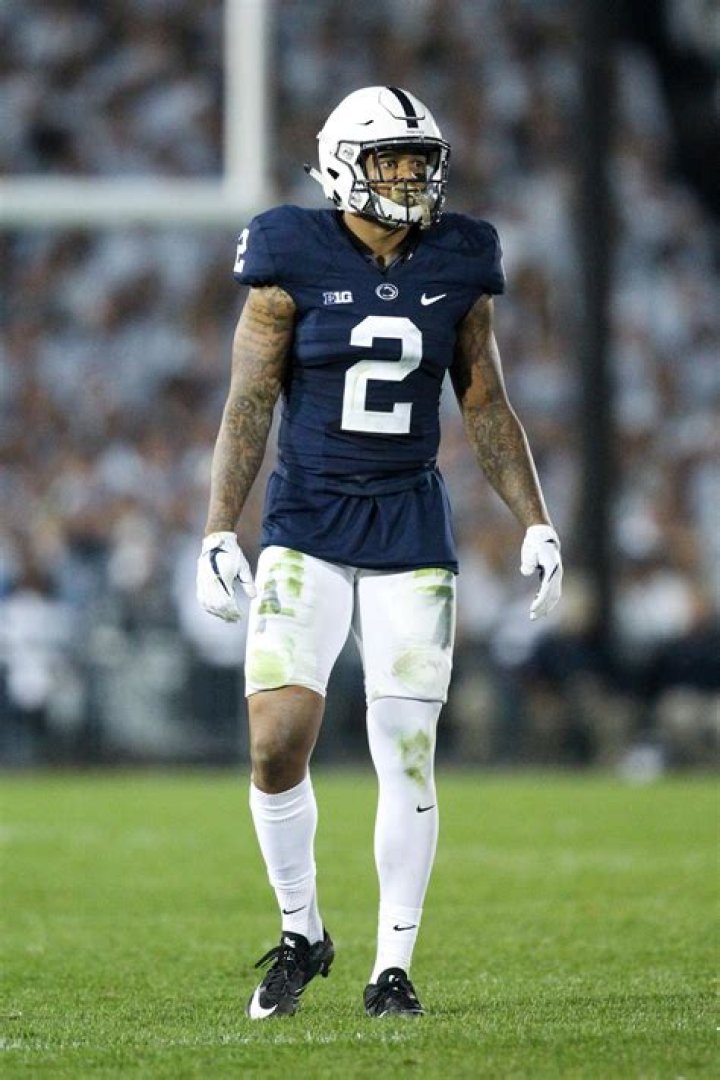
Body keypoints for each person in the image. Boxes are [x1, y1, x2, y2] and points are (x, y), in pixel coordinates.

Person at [196, 85, 563, 1019]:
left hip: (409, 525)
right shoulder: (288, 250)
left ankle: (391, 967)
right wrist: (218, 527)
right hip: (307, 518)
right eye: (392, 161)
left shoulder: (462, 254)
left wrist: (535, 518)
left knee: (405, 749)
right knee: (275, 743)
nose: (411, 178)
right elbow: (248, 400)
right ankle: (302, 932)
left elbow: (485, 402)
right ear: (341, 167)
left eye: (420, 161)